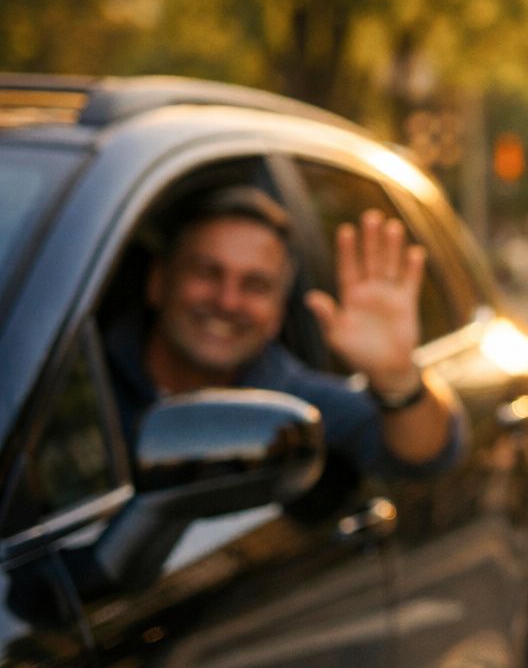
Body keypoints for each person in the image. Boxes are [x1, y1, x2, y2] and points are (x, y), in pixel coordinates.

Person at [106, 185, 464, 478]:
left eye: (256, 285)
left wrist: (397, 378)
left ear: (278, 313)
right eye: (206, 272)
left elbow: (427, 456)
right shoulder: (86, 371)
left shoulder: (294, 402)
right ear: (158, 281)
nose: (228, 301)